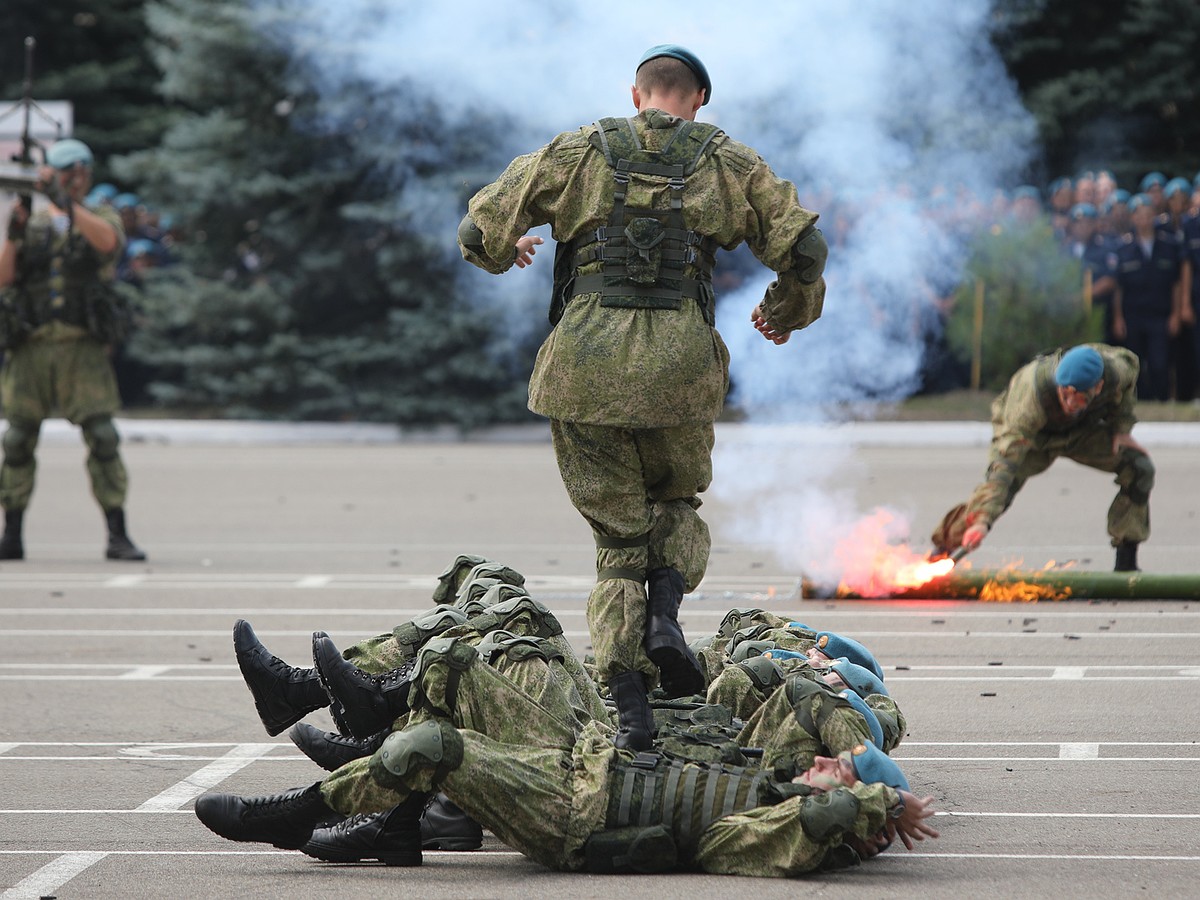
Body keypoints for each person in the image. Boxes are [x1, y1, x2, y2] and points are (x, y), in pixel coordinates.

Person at [455, 44, 828, 750]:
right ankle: (665, 616)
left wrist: (507, 253)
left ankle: (628, 702)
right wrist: (785, 311)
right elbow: (805, 250)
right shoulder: (728, 161)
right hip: (679, 371)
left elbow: (479, 229)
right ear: (697, 101)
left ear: (636, 96)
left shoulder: (576, 151)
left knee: (617, 542)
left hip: (584, 370)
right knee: (675, 507)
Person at [197, 637, 937, 877]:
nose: (832, 765)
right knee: (456, 663)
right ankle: (362, 745)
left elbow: (827, 814)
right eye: (842, 763)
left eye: (841, 774)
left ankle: (296, 815)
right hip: (582, 753)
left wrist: (878, 802)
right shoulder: (763, 769)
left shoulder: (767, 832)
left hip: (573, 811)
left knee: (435, 746)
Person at [0, 138, 145, 561]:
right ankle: (13, 533)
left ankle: (117, 534)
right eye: (67, 174)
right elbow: (5, 278)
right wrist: (13, 234)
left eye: (80, 173)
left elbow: (107, 244)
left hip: (81, 349)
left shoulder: (99, 215)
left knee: (102, 436)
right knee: (17, 440)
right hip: (34, 348)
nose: (74, 179)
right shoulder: (35, 221)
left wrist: (67, 203)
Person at [930, 344, 1154, 572]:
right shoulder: (1030, 397)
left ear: (1098, 387)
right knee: (996, 494)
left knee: (1139, 468)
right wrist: (982, 521)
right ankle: (940, 554)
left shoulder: (1116, 371)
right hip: (1032, 440)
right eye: (1064, 394)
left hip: (1080, 432)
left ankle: (1126, 564)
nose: (1069, 403)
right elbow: (1004, 464)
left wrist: (1121, 428)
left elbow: (1128, 381)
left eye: (1078, 397)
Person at [1113, 193, 1183, 401]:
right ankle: (1139, 401)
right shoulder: (1123, 247)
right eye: (1139, 215)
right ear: (1133, 218)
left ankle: (1161, 400)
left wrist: (1176, 314)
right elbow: (1118, 288)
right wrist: (1118, 317)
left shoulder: (1168, 245)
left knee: (1159, 362)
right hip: (1133, 314)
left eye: (1147, 214)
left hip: (1160, 314)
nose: (1144, 219)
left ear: (1154, 215)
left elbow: (1176, 283)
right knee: (1134, 362)